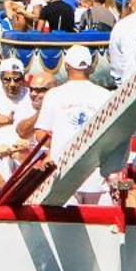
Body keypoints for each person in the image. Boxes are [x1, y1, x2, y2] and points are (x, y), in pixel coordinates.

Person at [32, 45, 113, 202]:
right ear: (90, 67)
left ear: (66, 65)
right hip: (96, 175)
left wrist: (59, 146)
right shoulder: (105, 95)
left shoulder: (53, 95)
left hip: (63, 175)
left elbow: (40, 134)